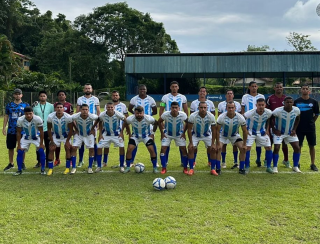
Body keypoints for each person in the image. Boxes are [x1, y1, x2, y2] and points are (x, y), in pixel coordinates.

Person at [121, 106, 158, 173]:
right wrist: (129, 133)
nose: (139, 115)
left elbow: (156, 123)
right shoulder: (130, 118)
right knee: (129, 149)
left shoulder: (148, 118)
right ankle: (128, 167)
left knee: (151, 149)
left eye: (140, 113)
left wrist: (152, 133)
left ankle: (155, 167)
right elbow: (125, 123)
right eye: (137, 113)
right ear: (134, 113)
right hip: (135, 136)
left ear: (143, 113)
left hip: (146, 136)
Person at [159, 81, 188, 165]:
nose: (174, 88)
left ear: (178, 87)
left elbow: (186, 110)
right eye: (173, 86)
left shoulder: (183, 97)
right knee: (166, 143)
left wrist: (184, 124)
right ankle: (165, 162)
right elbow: (161, 109)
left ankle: (183, 162)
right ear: (170, 87)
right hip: (168, 120)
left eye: (176, 86)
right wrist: (162, 120)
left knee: (181, 143)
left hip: (179, 121)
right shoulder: (165, 97)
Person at [216, 101, 248, 175]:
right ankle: (218, 168)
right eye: (229, 108)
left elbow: (244, 131)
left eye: (232, 107)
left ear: (235, 108)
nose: (231, 109)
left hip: (234, 135)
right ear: (226, 108)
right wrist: (217, 143)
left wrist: (245, 144)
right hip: (223, 135)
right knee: (219, 148)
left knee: (243, 149)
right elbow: (217, 131)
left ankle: (241, 168)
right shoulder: (221, 117)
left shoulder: (240, 117)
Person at [187, 102, 218, 176]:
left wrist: (213, 143)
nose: (203, 109)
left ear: (207, 108)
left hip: (207, 135)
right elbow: (189, 129)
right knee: (191, 148)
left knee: (213, 149)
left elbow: (214, 130)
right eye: (201, 107)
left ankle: (213, 169)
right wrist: (191, 142)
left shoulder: (211, 116)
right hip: (195, 134)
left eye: (204, 107)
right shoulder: (193, 116)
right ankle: (191, 168)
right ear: (198, 108)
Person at [128, 85, 157, 164]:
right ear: (138, 90)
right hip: (137, 121)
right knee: (135, 141)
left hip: (148, 123)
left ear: (146, 90)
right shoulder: (134, 99)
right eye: (140, 89)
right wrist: (136, 115)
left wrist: (148, 116)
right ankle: (131, 161)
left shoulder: (151, 99)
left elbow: (155, 111)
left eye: (143, 89)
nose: (142, 90)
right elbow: (129, 109)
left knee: (151, 142)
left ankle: (155, 161)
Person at [66, 104, 98, 174]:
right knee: (74, 148)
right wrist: (75, 129)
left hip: (89, 134)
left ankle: (90, 168)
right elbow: (70, 120)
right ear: (80, 110)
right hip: (79, 134)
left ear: (88, 110)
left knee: (91, 149)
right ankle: (74, 167)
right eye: (83, 109)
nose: (85, 111)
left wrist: (93, 128)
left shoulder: (91, 116)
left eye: (86, 109)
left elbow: (98, 119)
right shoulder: (76, 116)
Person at [243, 98, 273, 174]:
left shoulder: (268, 112)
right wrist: (245, 130)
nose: (261, 106)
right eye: (259, 105)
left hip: (262, 132)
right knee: (247, 148)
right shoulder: (250, 113)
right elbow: (242, 119)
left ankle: (268, 167)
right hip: (251, 132)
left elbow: (269, 119)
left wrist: (267, 129)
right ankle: (247, 166)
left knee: (269, 147)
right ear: (256, 105)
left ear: (265, 105)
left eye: (262, 105)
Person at [294, 84, 319, 171]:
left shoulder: (314, 102)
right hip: (299, 127)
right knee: (298, 146)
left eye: (306, 89)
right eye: (303, 89)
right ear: (301, 90)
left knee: (311, 145)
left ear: (309, 91)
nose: (305, 90)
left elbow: (316, 114)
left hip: (310, 127)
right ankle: (297, 163)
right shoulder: (296, 101)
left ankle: (312, 164)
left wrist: (311, 122)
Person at [272, 96, 301, 173]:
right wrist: (274, 129)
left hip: (290, 133)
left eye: (290, 102)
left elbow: (298, 119)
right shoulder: (278, 111)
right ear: (284, 103)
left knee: (297, 148)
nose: (289, 103)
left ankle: (295, 166)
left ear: (293, 103)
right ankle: (275, 167)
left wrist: (294, 129)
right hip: (279, 133)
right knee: (276, 148)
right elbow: (270, 118)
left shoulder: (296, 110)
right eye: (287, 102)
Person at [14, 106, 46, 176]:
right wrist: (18, 145)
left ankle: (43, 169)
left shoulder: (38, 119)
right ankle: (19, 170)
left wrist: (41, 144)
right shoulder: (20, 119)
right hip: (26, 137)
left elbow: (41, 131)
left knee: (41, 150)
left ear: (33, 113)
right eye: (26, 114)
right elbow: (18, 132)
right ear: (24, 114)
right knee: (19, 151)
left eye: (30, 113)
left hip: (36, 137)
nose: (28, 115)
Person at [3, 88, 29, 171]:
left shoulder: (25, 105)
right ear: (14, 95)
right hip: (11, 129)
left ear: (21, 95)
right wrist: (4, 127)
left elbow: (29, 116)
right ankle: (11, 163)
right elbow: (6, 116)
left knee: (22, 146)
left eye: (19, 94)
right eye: (16, 94)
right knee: (11, 147)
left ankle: (22, 162)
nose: (17, 95)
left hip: (23, 129)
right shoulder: (9, 105)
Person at [158, 102, 188, 174]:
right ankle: (163, 168)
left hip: (179, 134)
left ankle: (185, 168)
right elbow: (159, 122)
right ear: (170, 108)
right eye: (173, 108)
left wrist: (184, 133)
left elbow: (188, 122)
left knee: (183, 149)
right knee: (163, 148)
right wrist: (162, 133)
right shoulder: (165, 114)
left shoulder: (183, 115)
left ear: (179, 108)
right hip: (167, 134)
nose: (174, 109)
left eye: (176, 108)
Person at [95, 102, 126, 172]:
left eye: (111, 107)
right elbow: (99, 121)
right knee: (99, 147)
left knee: (122, 147)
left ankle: (121, 165)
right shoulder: (102, 114)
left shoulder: (118, 114)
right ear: (106, 108)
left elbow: (125, 120)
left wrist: (122, 132)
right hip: (106, 133)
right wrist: (100, 134)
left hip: (116, 134)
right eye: (108, 107)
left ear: (114, 108)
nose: (110, 109)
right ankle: (99, 166)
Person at [266, 82, 290, 168]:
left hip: (284, 124)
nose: (279, 88)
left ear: (282, 88)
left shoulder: (286, 98)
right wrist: (269, 126)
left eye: (281, 87)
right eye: (277, 87)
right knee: (270, 142)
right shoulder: (270, 98)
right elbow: (267, 112)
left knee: (284, 142)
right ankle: (267, 159)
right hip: (272, 124)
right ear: (274, 88)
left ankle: (286, 160)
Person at [241, 81, 265, 167]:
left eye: (255, 86)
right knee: (248, 144)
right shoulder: (245, 97)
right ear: (249, 87)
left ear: (257, 87)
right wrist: (244, 120)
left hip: (260, 123)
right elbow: (242, 108)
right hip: (249, 123)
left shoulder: (261, 96)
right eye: (252, 86)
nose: (254, 88)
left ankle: (258, 159)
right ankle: (247, 163)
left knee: (259, 143)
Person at [76, 83, 100, 167]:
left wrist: (98, 123)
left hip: (92, 122)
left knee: (94, 142)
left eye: (89, 88)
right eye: (86, 88)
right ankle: (80, 160)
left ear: (91, 89)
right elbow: (77, 111)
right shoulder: (80, 99)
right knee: (81, 141)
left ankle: (95, 160)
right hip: (82, 122)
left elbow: (98, 111)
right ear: (83, 90)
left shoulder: (95, 99)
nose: (87, 90)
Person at [190, 86, 215, 166]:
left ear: (206, 93)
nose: (202, 93)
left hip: (207, 129)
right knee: (194, 146)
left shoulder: (210, 103)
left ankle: (210, 161)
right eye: (201, 91)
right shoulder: (194, 103)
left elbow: (213, 115)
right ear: (198, 93)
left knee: (210, 147)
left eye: (204, 91)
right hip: (196, 128)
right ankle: (193, 162)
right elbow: (191, 116)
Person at [47, 103, 73, 176]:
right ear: (55, 109)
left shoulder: (68, 117)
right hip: (56, 135)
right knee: (51, 149)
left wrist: (67, 141)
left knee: (67, 148)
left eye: (61, 107)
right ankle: (50, 169)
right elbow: (49, 129)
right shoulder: (50, 116)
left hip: (65, 135)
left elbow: (71, 130)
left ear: (63, 109)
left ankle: (67, 168)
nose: (59, 109)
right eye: (57, 107)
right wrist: (52, 141)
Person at [217, 89, 241, 169]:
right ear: (226, 95)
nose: (229, 95)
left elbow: (239, 116)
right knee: (224, 145)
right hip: (224, 128)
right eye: (228, 93)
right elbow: (219, 116)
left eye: (231, 93)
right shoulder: (221, 104)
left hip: (234, 127)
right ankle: (223, 162)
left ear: (233, 95)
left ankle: (235, 162)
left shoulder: (237, 104)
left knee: (235, 144)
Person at [33, 91, 54, 168]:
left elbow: (53, 116)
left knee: (48, 146)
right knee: (38, 146)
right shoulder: (35, 106)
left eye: (44, 96)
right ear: (39, 97)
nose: (42, 97)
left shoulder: (50, 106)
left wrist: (52, 129)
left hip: (47, 129)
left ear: (46, 97)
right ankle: (39, 161)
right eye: (41, 96)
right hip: (38, 129)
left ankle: (48, 161)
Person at [108, 90, 129, 168]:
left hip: (120, 129)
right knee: (106, 145)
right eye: (113, 95)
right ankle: (105, 162)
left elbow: (126, 116)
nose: (115, 96)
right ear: (111, 96)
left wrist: (127, 128)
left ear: (119, 96)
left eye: (116, 95)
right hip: (109, 129)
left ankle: (122, 162)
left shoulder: (123, 105)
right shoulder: (109, 105)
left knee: (121, 145)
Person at [53, 90, 74, 167]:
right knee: (56, 145)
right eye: (60, 95)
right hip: (57, 127)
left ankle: (70, 160)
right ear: (58, 96)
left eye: (63, 94)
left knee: (68, 145)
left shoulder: (69, 105)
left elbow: (72, 117)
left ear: (65, 96)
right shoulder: (55, 105)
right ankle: (57, 159)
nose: (61, 96)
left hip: (66, 128)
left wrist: (73, 128)